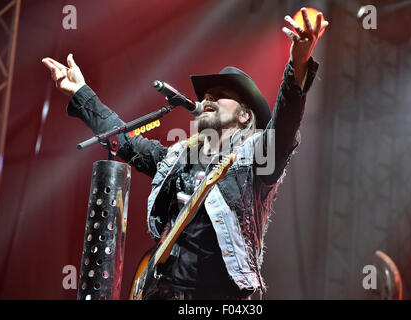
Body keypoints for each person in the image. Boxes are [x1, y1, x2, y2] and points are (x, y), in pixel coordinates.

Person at [42, 9, 328, 300]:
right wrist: (81, 92)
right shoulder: (178, 158)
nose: (208, 98)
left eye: (220, 94)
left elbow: (285, 124)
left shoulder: (254, 160)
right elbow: (124, 141)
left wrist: (298, 64)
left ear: (244, 115)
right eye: (207, 94)